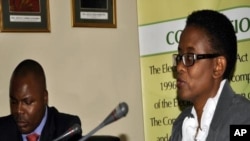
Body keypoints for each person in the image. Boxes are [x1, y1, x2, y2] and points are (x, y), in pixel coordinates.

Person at [170, 9, 250, 141]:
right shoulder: (181, 124)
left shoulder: (243, 120)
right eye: (179, 57)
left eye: (190, 57)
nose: (179, 67)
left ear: (218, 66)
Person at [0, 59, 82, 141]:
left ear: (44, 98)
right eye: (14, 102)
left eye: (27, 102)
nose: (19, 110)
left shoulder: (66, 129)